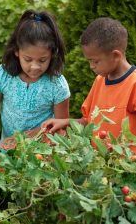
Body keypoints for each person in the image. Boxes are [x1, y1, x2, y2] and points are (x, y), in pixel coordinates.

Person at [42, 17, 136, 152]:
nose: (91, 66)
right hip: (99, 167)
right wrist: (65, 122)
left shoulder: (133, 84)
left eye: (95, 61)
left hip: (126, 169)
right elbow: (89, 121)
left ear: (116, 55)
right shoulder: (99, 81)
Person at [0, 10, 70, 149]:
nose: (35, 67)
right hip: (8, 155)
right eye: (28, 59)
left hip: (43, 157)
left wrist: (25, 139)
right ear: (16, 51)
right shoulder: (2, 75)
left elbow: (60, 128)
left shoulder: (57, 84)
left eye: (42, 60)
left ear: (52, 54)